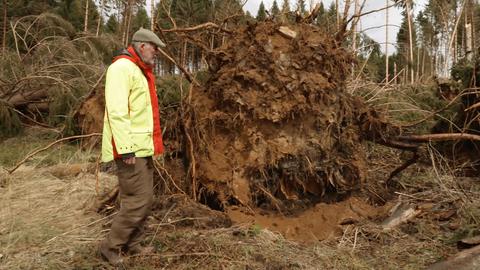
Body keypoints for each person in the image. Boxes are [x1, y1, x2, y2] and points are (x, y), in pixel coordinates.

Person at [99, 28, 166, 266]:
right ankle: (111, 247)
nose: (157, 53)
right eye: (154, 48)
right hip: (130, 150)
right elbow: (117, 111)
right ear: (141, 45)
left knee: (145, 198)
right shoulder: (121, 69)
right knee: (136, 200)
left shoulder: (139, 70)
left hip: (142, 147)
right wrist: (125, 149)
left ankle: (134, 242)